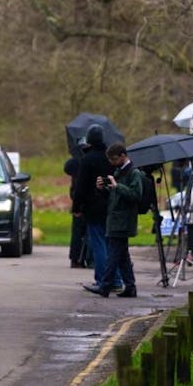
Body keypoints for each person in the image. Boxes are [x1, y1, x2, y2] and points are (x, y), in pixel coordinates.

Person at [84, 143, 142, 298]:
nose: (112, 163)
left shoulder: (134, 173)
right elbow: (113, 197)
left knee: (113, 254)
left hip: (123, 221)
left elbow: (136, 195)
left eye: (114, 159)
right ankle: (130, 286)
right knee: (122, 255)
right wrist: (102, 189)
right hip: (115, 219)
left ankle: (105, 286)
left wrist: (116, 187)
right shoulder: (119, 171)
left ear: (123, 156)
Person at [72, 124, 122, 293]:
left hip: (93, 207)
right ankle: (116, 279)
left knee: (98, 244)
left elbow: (81, 186)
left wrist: (77, 207)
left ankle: (102, 280)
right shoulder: (110, 158)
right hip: (111, 205)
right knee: (111, 245)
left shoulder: (87, 159)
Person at [64, 139, 92, 268]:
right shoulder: (89, 159)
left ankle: (76, 258)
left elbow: (68, 168)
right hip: (85, 198)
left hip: (77, 196)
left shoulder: (76, 160)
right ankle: (83, 257)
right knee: (86, 231)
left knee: (78, 231)